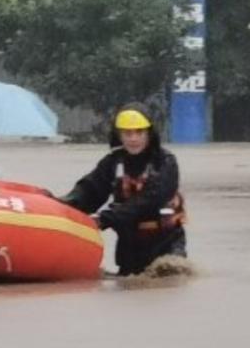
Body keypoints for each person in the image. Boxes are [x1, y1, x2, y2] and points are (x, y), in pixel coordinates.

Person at [61, 103, 187, 276]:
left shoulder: (165, 162)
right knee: (126, 287)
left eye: (139, 133)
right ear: (119, 135)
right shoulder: (112, 162)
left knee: (167, 281)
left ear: (149, 133)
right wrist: (61, 206)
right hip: (129, 247)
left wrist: (104, 219)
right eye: (127, 133)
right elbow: (90, 191)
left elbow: (151, 200)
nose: (133, 139)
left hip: (166, 245)